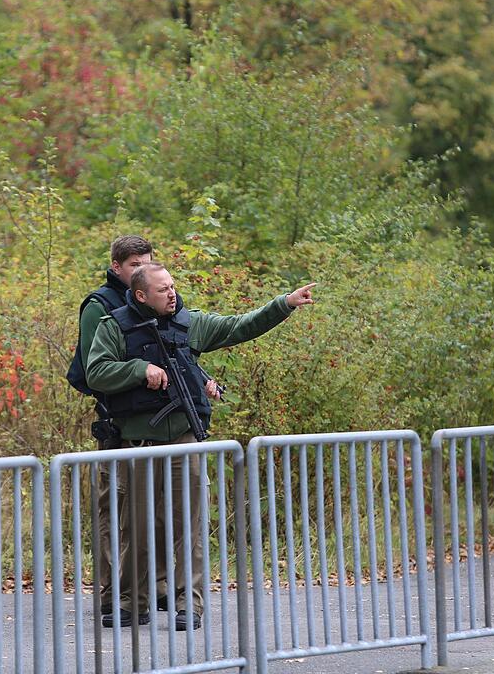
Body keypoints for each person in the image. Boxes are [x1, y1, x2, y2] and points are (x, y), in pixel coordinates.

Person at [86, 262, 316, 630]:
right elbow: (95, 372)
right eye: (163, 289)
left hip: (184, 442)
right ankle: (131, 601)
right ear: (141, 295)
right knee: (135, 528)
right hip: (138, 444)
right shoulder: (113, 325)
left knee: (189, 529)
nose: (172, 294)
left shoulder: (188, 323)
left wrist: (284, 304)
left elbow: (238, 326)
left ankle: (188, 604)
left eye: (172, 286)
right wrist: (139, 370)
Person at [66, 237, 223, 627]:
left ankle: (170, 593)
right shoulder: (103, 309)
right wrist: (139, 372)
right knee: (123, 516)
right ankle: (117, 595)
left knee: (181, 520)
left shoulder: (171, 310)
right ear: (118, 268)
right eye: (135, 263)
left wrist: (198, 379)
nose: (144, 269)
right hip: (124, 426)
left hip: (176, 429)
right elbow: (95, 370)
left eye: (147, 262)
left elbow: (178, 351)